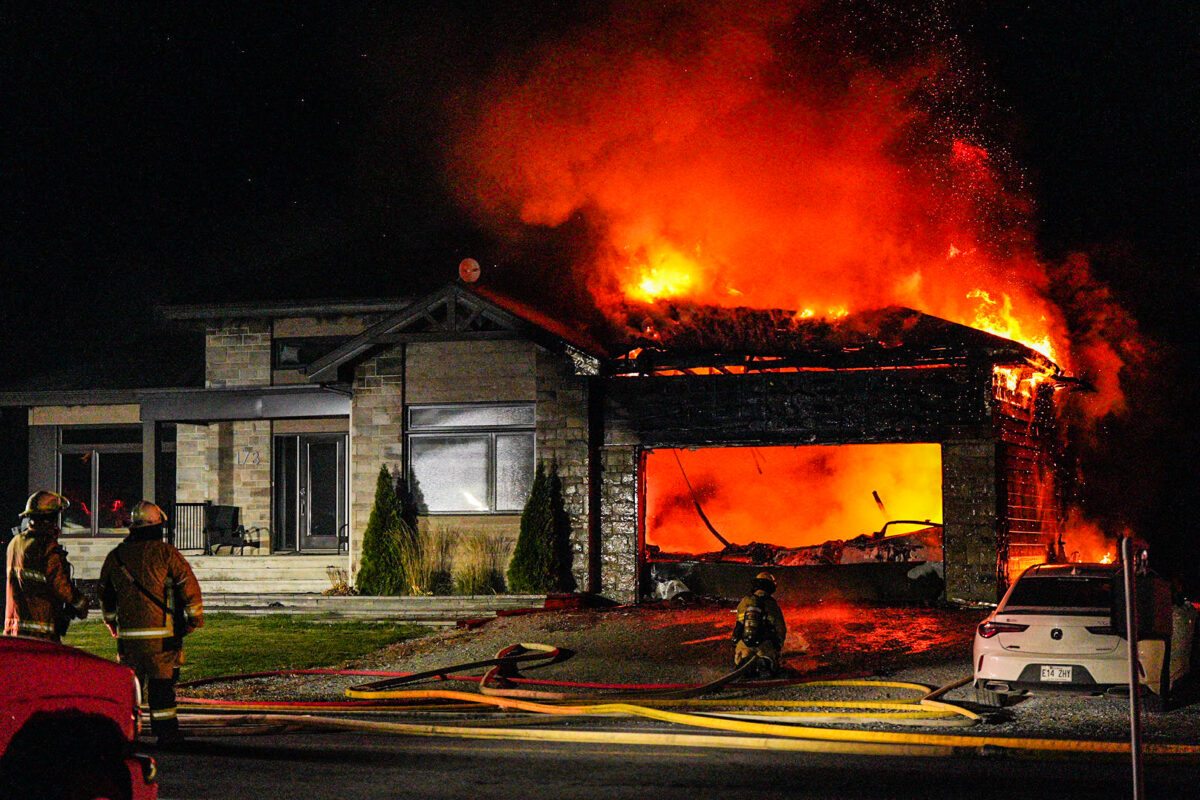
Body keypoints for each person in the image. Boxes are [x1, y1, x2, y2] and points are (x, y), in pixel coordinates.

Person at [99, 501, 204, 746]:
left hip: (128, 642)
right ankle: (166, 734)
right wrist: (194, 620)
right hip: (161, 640)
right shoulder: (167, 554)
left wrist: (111, 623)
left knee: (129, 691)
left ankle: (125, 735)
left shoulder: (116, 556)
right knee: (162, 689)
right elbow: (189, 588)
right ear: (158, 526)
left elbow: (105, 594)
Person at [4, 491, 89, 641]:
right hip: (41, 632)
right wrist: (78, 602)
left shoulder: (15, 542)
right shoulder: (45, 545)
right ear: (50, 517)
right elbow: (59, 583)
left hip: (14, 630)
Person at [731, 571, 787, 677]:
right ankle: (764, 665)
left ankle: (744, 667)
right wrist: (778, 646)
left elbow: (739, 625)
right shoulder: (771, 604)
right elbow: (780, 629)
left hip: (744, 649)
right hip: (764, 648)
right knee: (770, 666)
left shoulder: (745, 601)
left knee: (743, 665)